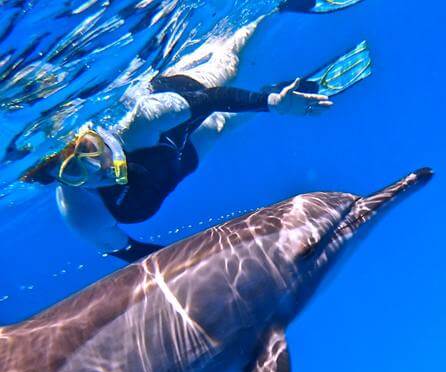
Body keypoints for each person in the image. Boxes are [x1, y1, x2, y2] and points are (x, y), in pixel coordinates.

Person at [22, 0, 371, 263]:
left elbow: (211, 99)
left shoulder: (139, 122)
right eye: (73, 172)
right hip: (174, 162)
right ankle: (279, 89)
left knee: (227, 68)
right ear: (60, 181)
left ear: (92, 135)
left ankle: (277, 8)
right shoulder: (83, 215)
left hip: (176, 104)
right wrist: (196, 267)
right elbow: (133, 252)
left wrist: (271, 104)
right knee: (221, 128)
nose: (95, 168)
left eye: (88, 150)